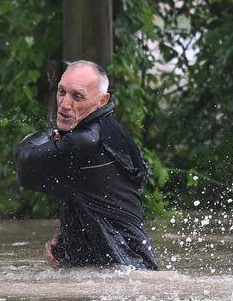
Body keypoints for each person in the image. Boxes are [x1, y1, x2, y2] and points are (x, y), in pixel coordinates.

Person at [13, 60, 159, 270]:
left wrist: (50, 135)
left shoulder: (84, 143)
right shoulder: (113, 133)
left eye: (77, 96)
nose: (64, 104)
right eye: (62, 92)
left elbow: (24, 165)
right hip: (124, 269)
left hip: (122, 277)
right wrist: (68, 237)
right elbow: (98, 197)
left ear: (102, 100)